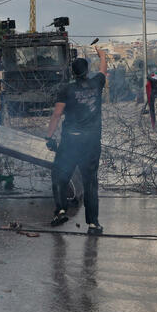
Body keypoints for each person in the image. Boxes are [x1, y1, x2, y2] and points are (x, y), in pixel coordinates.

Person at [45, 49, 107, 235]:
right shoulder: (96, 83)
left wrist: (49, 136)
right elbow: (103, 70)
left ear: (72, 72)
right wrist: (102, 56)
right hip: (91, 142)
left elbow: (57, 114)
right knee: (90, 182)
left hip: (71, 141)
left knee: (60, 175)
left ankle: (61, 211)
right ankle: (93, 224)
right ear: (87, 71)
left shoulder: (67, 89)